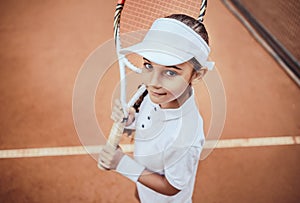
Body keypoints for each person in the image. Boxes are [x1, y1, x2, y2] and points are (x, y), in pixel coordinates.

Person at [98, 14, 214, 202]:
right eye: (148, 65)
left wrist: (122, 164)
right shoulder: (160, 95)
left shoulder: (185, 137)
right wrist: (130, 120)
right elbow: (148, 122)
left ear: (197, 74)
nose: (153, 83)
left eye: (170, 72)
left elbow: (172, 187)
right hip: (146, 186)